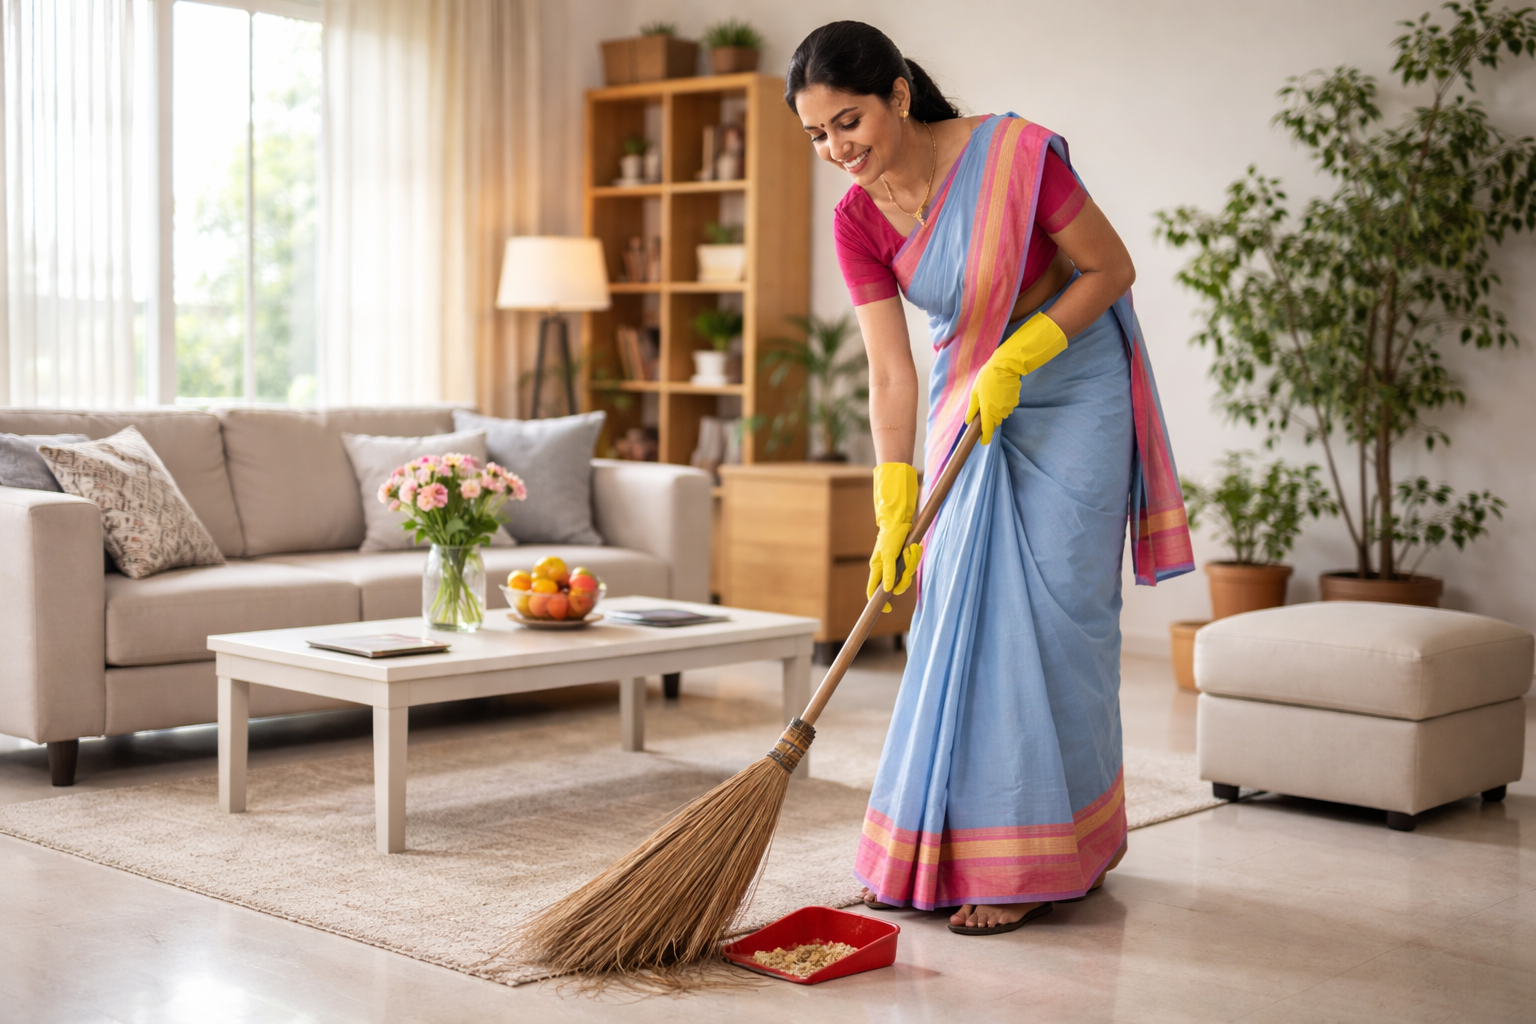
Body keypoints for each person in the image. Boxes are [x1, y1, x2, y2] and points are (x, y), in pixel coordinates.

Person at [785, 22, 1193, 935]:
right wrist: (893, 508)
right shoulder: (857, 219)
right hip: (968, 405)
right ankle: (951, 851)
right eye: (817, 136)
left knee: (1055, 623)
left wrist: (1026, 353)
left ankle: (1053, 858)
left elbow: (1110, 267)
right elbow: (892, 373)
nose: (837, 151)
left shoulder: (1015, 155)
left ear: (897, 93)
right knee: (958, 616)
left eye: (847, 122)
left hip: (1074, 389)